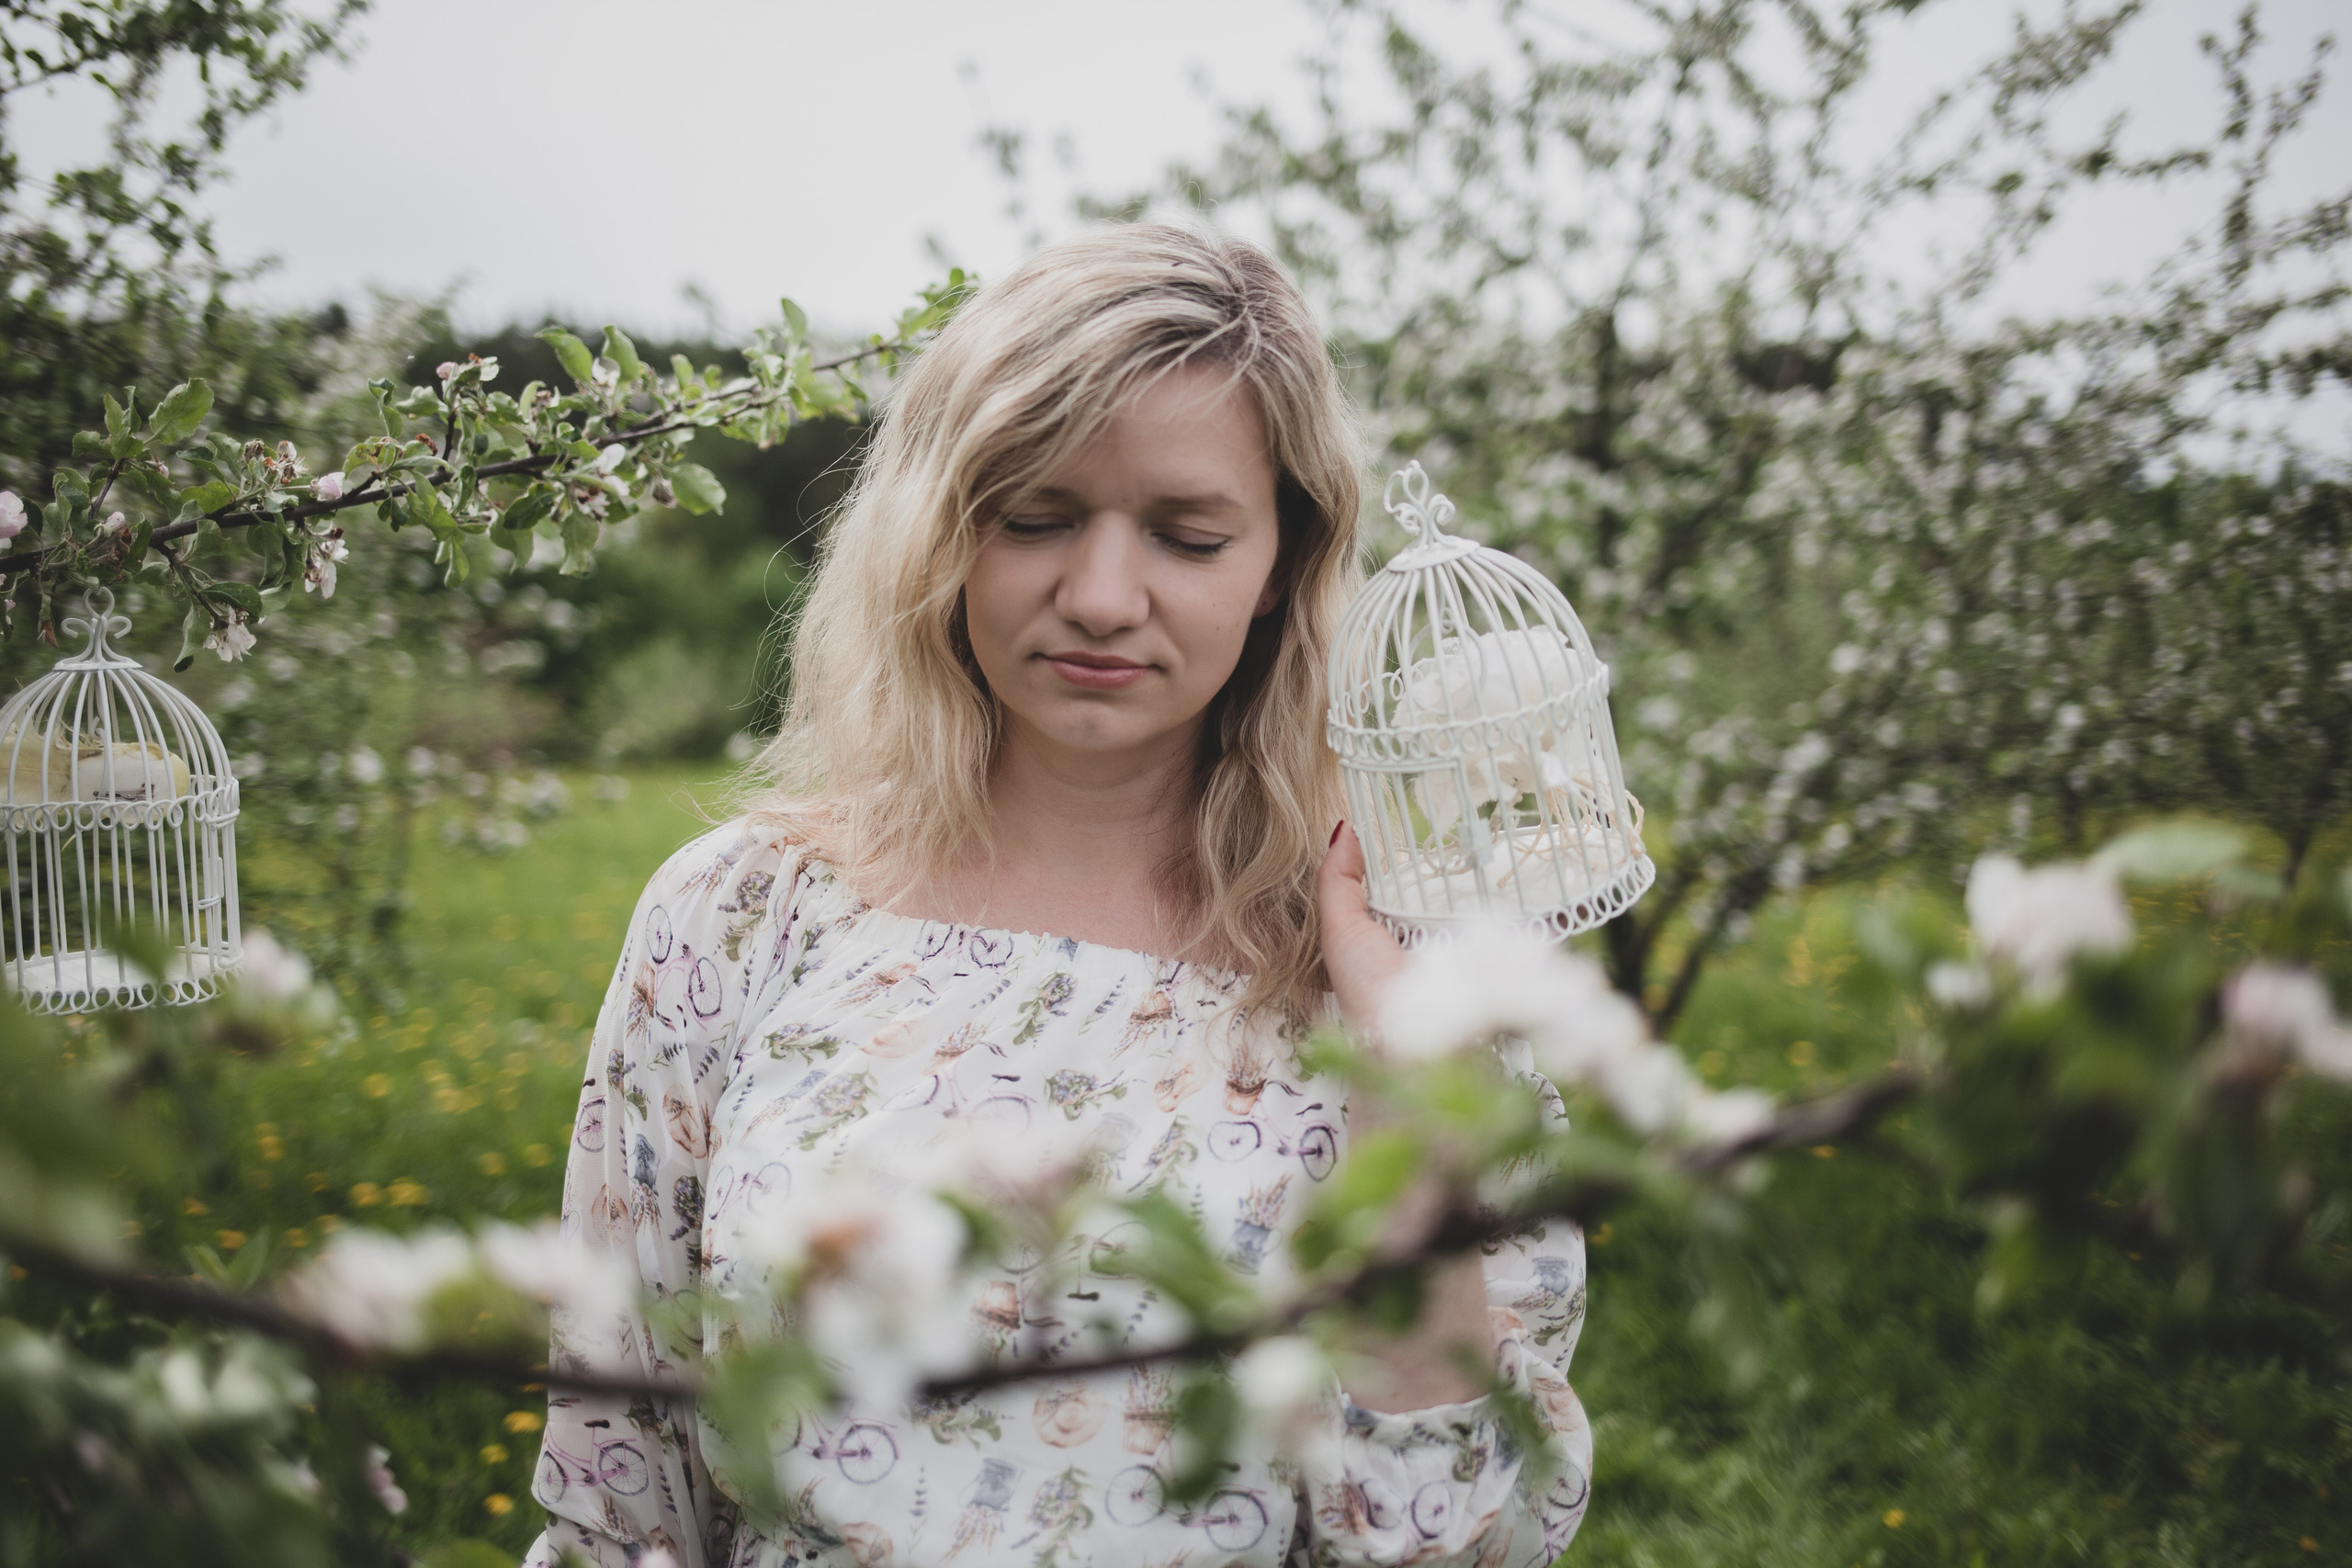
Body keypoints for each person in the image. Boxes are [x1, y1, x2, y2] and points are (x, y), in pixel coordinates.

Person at [522, 224, 1591, 1568]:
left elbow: (1471, 1539)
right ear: (938, 532)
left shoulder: (1401, 967)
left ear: (1280, 570)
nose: (1099, 596)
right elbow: (619, 1496)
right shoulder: (741, 920)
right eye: (1034, 518)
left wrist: (1407, 1086)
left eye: (1187, 537)